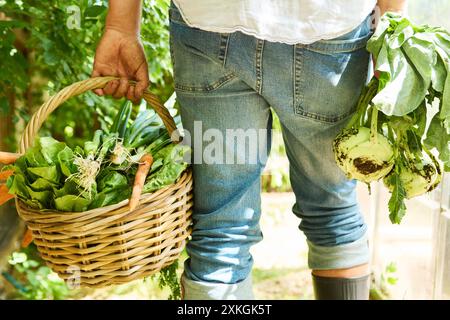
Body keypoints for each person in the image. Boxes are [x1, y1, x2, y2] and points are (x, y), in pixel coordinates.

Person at [92, 0, 407, 300]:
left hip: (208, 23)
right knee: (331, 210)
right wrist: (390, 22)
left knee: (221, 231)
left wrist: (121, 26)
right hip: (325, 24)